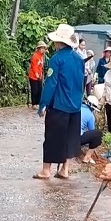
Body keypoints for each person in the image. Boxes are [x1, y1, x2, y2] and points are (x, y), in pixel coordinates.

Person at [34, 24, 85, 180]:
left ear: (58, 42)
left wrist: (43, 104)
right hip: (75, 106)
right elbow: (82, 83)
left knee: (52, 137)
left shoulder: (57, 59)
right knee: (70, 138)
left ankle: (46, 170)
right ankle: (65, 169)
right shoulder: (79, 58)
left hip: (59, 105)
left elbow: (51, 83)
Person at [79, 96, 103, 164]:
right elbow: (92, 130)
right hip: (76, 139)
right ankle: (87, 157)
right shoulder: (90, 115)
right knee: (98, 134)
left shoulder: (77, 108)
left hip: (65, 136)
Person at [27, 41, 48, 109]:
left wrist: (41, 75)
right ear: (39, 48)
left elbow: (41, 67)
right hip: (33, 76)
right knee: (34, 90)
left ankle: (38, 103)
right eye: (43, 48)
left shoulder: (42, 56)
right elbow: (34, 67)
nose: (44, 50)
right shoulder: (35, 56)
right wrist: (37, 75)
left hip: (39, 75)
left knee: (40, 90)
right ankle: (34, 104)